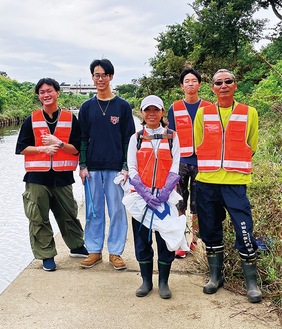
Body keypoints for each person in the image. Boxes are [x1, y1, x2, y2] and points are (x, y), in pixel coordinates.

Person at [194, 69, 262, 303]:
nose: (223, 85)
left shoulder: (249, 113)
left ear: (235, 85)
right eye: (218, 82)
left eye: (228, 81)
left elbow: (251, 144)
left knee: (244, 229)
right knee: (210, 230)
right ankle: (215, 277)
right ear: (212, 88)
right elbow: (197, 144)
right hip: (207, 183)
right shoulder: (203, 114)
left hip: (235, 183)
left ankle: (251, 283)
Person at [15, 78, 88, 272]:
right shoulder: (32, 119)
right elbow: (21, 148)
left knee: (68, 213)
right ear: (39, 96)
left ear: (57, 93)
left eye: (49, 91)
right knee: (38, 217)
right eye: (41, 92)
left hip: (62, 176)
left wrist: (59, 143)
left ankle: (76, 246)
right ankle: (47, 255)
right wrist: (41, 149)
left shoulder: (70, 119)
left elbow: (76, 150)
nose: (45, 95)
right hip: (37, 178)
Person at [126, 95, 186, 299]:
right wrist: (143, 191)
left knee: (165, 239)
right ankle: (146, 281)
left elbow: (176, 165)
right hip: (141, 200)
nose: (151, 113)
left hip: (164, 199)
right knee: (142, 241)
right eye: (147, 110)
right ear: (142, 113)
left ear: (162, 112)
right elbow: (131, 168)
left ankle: (163, 282)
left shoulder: (172, 137)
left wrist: (166, 190)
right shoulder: (136, 138)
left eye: (156, 109)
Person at [78, 58, 135, 270]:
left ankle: (116, 252)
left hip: (115, 168)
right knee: (93, 211)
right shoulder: (87, 107)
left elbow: (128, 139)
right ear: (92, 77)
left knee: (118, 210)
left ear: (111, 76)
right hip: (91, 167)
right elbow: (82, 138)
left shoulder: (122, 106)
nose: (100, 79)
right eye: (96, 75)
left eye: (104, 75)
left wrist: (126, 166)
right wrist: (82, 165)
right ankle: (94, 250)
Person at [167, 68, 212, 258]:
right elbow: (169, 137)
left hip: (202, 162)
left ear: (200, 85)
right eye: (187, 81)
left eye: (194, 80)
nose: (191, 84)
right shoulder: (174, 108)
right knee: (179, 203)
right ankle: (180, 241)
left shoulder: (209, 108)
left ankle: (195, 241)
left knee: (198, 204)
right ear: (181, 85)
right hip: (180, 163)